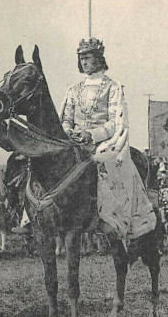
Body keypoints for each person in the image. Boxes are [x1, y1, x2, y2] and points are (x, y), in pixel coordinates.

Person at [59, 37, 156, 241]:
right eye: (81, 58)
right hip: (74, 142)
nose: (84, 62)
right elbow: (66, 118)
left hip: (103, 143)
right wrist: (69, 131)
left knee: (112, 166)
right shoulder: (73, 90)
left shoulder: (113, 87)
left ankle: (113, 219)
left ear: (98, 59)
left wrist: (91, 135)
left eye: (88, 57)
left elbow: (115, 121)